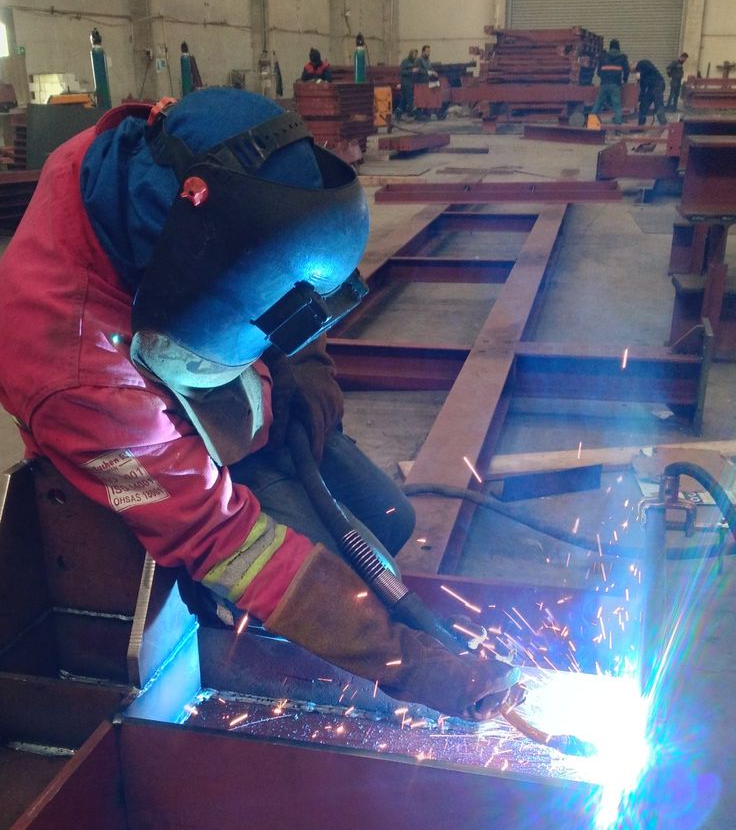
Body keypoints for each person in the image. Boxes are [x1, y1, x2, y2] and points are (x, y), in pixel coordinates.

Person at [0, 88, 515, 721]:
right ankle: (227, 625)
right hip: (144, 472)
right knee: (311, 595)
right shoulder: (75, 374)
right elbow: (223, 538)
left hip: (197, 385)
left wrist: (306, 364)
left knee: (388, 523)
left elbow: (279, 257)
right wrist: (401, 663)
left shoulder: (156, 164)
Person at [591, 38, 630, 125]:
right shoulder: (623, 57)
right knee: (617, 106)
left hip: (604, 84)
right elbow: (626, 70)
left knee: (598, 103)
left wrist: (604, 77)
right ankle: (618, 126)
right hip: (615, 85)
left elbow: (598, 72)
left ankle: (592, 124)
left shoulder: (603, 56)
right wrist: (625, 80)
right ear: (618, 47)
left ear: (610, 47)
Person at [635, 59, 667, 126]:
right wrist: (640, 99)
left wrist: (639, 77)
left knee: (658, 105)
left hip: (658, 84)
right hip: (652, 87)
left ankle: (664, 124)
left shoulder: (641, 63)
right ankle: (640, 125)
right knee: (643, 105)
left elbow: (646, 70)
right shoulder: (641, 73)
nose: (632, 72)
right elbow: (643, 87)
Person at [397, 48, 420, 119]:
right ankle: (416, 113)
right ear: (411, 54)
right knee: (410, 99)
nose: (415, 56)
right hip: (405, 83)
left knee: (403, 99)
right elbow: (402, 72)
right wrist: (412, 71)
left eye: (416, 54)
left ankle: (398, 113)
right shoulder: (405, 61)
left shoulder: (414, 63)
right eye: (414, 54)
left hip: (410, 83)